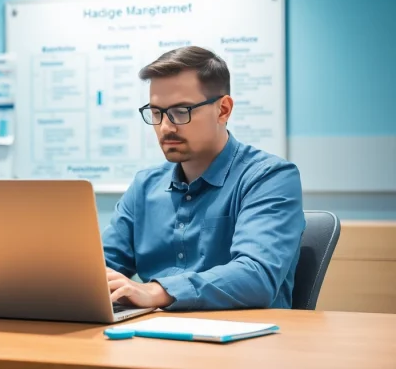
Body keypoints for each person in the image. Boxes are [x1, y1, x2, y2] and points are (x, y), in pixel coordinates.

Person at [102, 46, 305, 311]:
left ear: (223, 110)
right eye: (156, 113)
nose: (165, 127)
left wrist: (157, 291)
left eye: (181, 111)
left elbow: (256, 277)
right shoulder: (145, 186)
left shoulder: (269, 178)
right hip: (154, 339)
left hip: (247, 343)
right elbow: (100, 266)